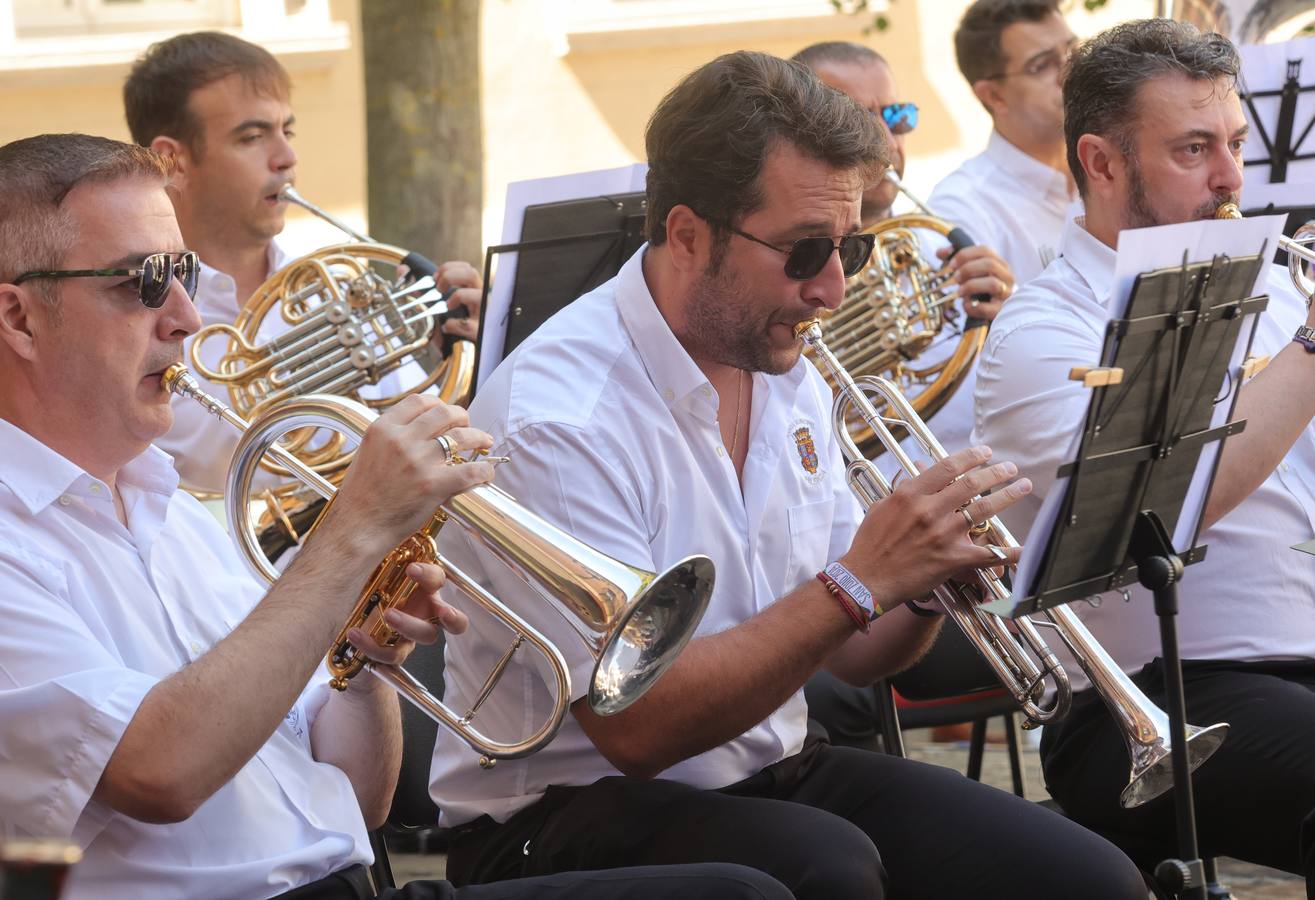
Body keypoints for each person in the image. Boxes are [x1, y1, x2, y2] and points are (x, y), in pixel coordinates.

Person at [0, 132, 800, 900]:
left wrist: (365, 654)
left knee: (751, 888)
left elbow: (360, 796)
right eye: (141, 283)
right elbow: (160, 772)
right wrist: (349, 534)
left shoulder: (179, 516)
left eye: (182, 274)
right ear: (19, 319)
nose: (188, 317)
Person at [426, 51, 1146, 900]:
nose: (834, 290)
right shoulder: (559, 418)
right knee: (827, 871)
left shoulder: (784, 368)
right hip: (561, 814)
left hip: (764, 767)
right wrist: (861, 578)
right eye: (806, 252)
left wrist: (923, 579)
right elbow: (639, 727)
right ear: (688, 235)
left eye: (852, 249)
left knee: (1085, 877)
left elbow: (858, 659)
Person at [972, 19, 1315, 890]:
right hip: (1145, 703)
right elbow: (1167, 507)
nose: (1231, 178)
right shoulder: (1041, 330)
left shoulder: (1276, 283)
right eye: (1193, 149)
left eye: (1234, 143)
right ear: (1102, 162)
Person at [122, 32, 482, 495]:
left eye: (286, 131)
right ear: (173, 161)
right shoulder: (132, 324)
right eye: (252, 137)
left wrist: (468, 355)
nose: (287, 158)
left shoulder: (335, 289)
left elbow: (445, 442)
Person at [789, 40, 1017, 746]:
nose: (886, 143)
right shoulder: (782, 271)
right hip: (826, 553)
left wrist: (1000, 328)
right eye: (857, 120)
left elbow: (993, 423)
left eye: (894, 114)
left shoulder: (931, 258)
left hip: (931, 552)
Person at [927, 0, 1079, 284]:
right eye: (1042, 65)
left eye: (1073, 50)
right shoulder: (961, 208)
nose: (1070, 71)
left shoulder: (1115, 167)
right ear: (994, 96)